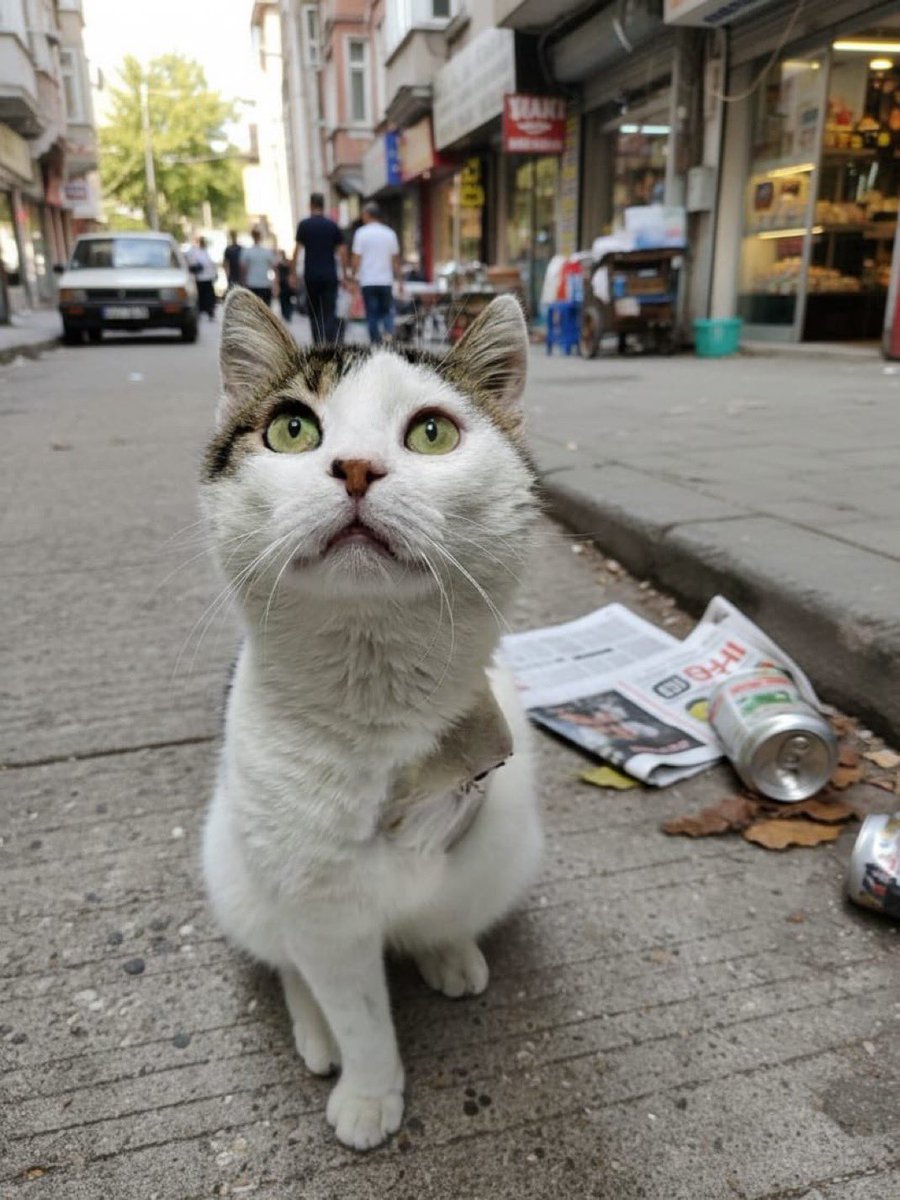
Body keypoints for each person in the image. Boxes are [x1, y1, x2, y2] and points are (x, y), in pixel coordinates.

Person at [292, 193, 345, 344]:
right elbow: (342, 251)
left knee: (314, 311)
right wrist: (347, 274)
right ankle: (329, 343)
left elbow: (296, 251)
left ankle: (317, 343)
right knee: (329, 311)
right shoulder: (332, 225)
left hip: (311, 276)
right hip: (330, 275)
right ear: (323, 205)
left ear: (311, 205)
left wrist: (293, 273)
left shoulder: (304, 225)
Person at [350, 202, 402, 345]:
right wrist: (401, 281)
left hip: (368, 281)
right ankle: (389, 341)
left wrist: (353, 278)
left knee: (371, 315)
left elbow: (356, 258)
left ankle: (375, 344)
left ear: (367, 215)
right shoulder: (390, 233)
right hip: (385, 281)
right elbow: (395, 260)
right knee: (387, 313)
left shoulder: (361, 233)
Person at [241, 227, 277, 308]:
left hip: (252, 283)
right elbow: (274, 268)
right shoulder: (267, 252)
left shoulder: (247, 252)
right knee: (265, 309)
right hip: (264, 283)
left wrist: (244, 282)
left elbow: (243, 269)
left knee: (254, 309)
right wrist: (275, 284)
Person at [190, 236, 217, 321]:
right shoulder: (196, 253)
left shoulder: (207, 252)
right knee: (201, 297)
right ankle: (200, 312)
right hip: (200, 278)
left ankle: (210, 312)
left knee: (209, 297)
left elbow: (212, 264)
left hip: (208, 278)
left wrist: (215, 274)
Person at [276, 250, 294, 323]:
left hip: (285, 283)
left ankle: (287, 314)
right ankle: (286, 314)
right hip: (284, 283)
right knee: (284, 299)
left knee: (285, 299)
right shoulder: (283, 263)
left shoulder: (283, 263)